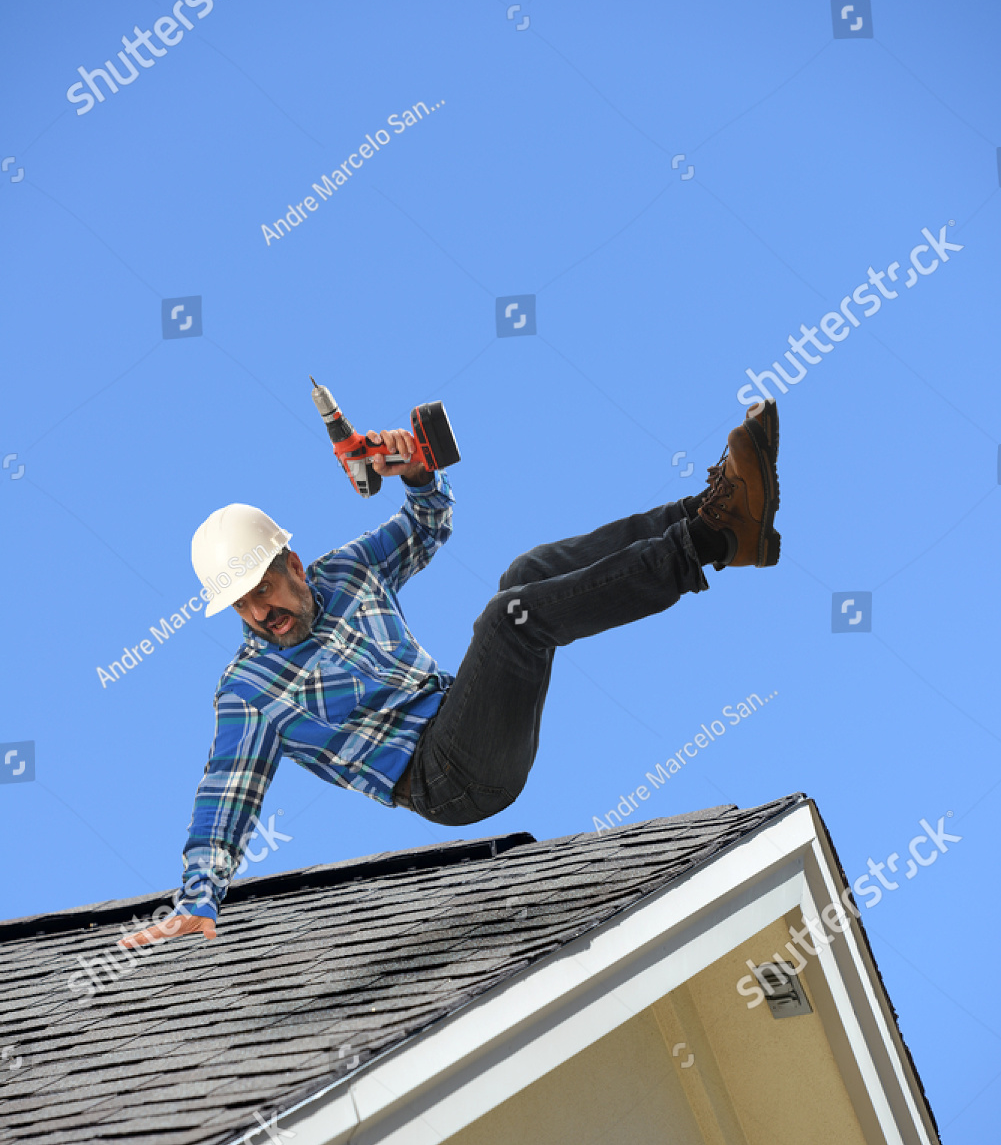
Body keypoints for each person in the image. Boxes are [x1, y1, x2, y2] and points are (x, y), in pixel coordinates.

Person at [119, 400, 780, 949]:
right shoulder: (249, 690)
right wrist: (197, 900)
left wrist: (416, 474)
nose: (262, 612)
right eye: (243, 605)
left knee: (525, 575)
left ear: (290, 562)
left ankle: (710, 513)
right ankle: (713, 543)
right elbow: (224, 798)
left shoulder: (349, 571)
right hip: (445, 781)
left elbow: (426, 524)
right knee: (509, 618)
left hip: (462, 712)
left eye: (265, 588)